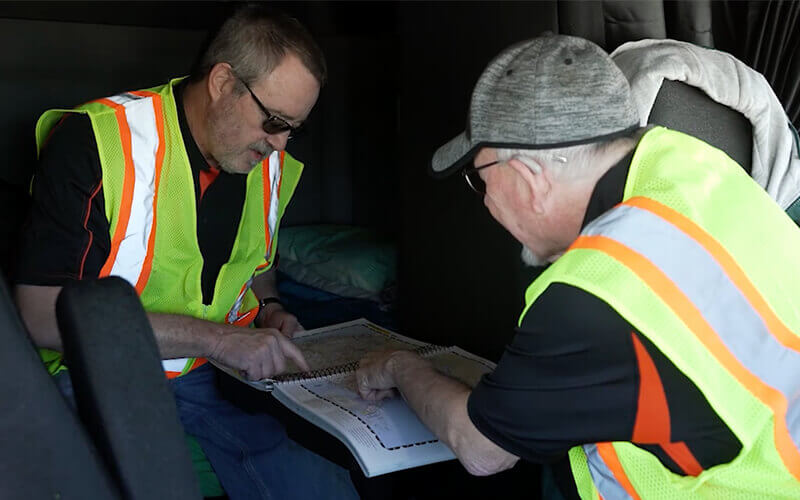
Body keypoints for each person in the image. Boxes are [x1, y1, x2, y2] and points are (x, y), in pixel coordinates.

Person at [356, 34, 800, 499]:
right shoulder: (692, 163)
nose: (485, 204)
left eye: (480, 180)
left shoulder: (595, 289)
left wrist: (400, 368)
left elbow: (482, 449)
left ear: (529, 178)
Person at [14, 5, 358, 499]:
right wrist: (218, 340)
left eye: (293, 129)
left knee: (326, 487)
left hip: (210, 376)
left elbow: (256, 265)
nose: (281, 144)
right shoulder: (97, 141)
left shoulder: (266, 162)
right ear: (222, 82)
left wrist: (271, 309)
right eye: (274, 121)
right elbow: (41, 313)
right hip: (99, 375)